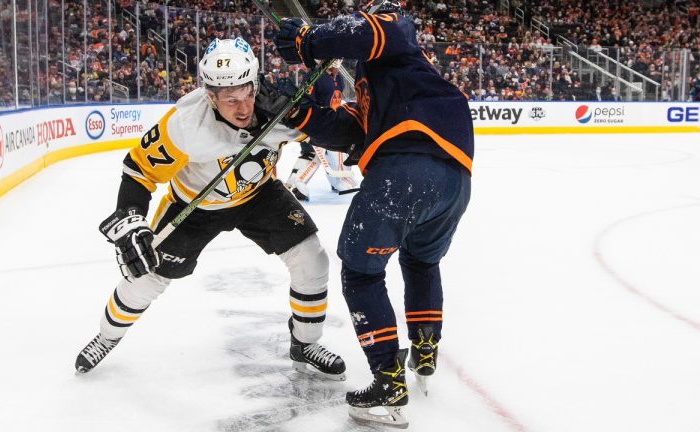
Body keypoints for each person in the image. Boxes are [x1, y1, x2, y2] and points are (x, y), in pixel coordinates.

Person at [75, 37, 346, 382]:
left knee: (312, 259)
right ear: (210, 95)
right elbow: (138, 170)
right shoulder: (185, 125)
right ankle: (106, 336)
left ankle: (305, 344)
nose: (244, 107)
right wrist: (131, 216)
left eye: (248, 92)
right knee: (145, 278)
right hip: (194, 206)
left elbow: (333, 134)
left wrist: (323, 91)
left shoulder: (280, 105)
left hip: (259, 194)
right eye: (230, 99)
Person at [256, 2, 473, 427]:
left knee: (360, 270)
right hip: (454, 183)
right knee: (421, 259)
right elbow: (346, 129)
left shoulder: (398, 33)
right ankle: (424, 350)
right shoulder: (388, 88)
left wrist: (308, 38)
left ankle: (388, 382)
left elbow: (368, 31)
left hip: (407, 168)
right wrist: (294, 111)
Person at [284, 60, 360, 200]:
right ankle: (295, 185)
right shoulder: (315, 75)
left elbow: (336, 99)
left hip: (330, 124)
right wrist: (310, 121)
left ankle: (337, 181)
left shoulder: (338, 78)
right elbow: (304, 101)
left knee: (335, 151)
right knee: (312, 154)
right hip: (315, 123)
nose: (336, 63)